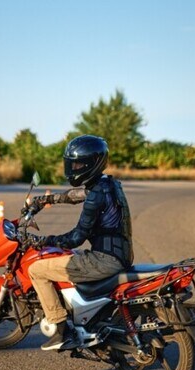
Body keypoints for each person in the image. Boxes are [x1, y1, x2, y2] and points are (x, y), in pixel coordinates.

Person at [22, 135, 133, 351]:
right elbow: (76, 195)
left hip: (105, 260)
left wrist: (42, 241)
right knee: (69, 260)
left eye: (79, 164)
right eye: (72, 163)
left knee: (37, 269)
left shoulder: (96, 195)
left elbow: (75, 238)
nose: (74, 168)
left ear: (92, 163)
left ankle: (61, 328)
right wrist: (46, 199)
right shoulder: (108, 184)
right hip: (119, 254)